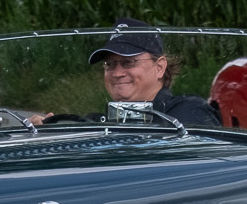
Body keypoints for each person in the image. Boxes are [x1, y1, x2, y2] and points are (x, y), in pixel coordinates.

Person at [27, 20, 220, 128]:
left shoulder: (189, 112)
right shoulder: (99, 120)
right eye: (109, 64)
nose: (117, 73)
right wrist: (49, 127)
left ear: (159, 67)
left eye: (129, 62)